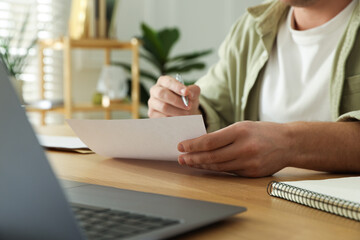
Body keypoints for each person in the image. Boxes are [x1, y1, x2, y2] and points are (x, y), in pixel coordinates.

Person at [147, 0, 360, 177]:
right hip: (259, 212)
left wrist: (289, 144)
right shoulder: (252, 27)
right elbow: (213, 103)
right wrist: (183, 111)